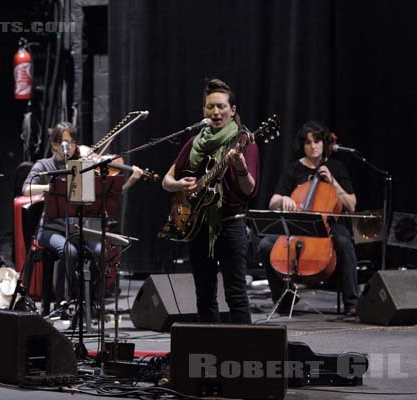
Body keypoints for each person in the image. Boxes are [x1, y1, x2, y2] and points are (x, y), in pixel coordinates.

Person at [162, 78, 259, 323]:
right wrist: (179, 185)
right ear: (204, 111)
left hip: (231, 225)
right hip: (198, 225)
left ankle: (245, 353)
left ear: (233, 110)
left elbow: (249, 190)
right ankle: (208, 349)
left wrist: (240, 168)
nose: (215, 112)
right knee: (204, 295)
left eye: (221, 107)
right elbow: (166, 180)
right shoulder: (195, 143)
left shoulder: (244, 141)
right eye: (210, 107)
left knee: (235, 294)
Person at [22, 122, 143, 304]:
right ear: (54, 144)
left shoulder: (81, 167)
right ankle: (67, 300)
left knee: (101, 251)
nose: (69, 146)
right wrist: (50, 187)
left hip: (78, 230)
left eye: (72, 142)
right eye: (65, 142)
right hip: (51, 229)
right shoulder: (44, 164)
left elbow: (105, 197)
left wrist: (131, 181)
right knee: (69, 250)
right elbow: (26, 189)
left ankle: (92, 300)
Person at [257, 121, 359, 316]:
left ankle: (352, 301)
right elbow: (273, 202)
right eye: (308, 142)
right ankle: (284, 299)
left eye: (317, 141)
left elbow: (351, 205)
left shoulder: (336, 167)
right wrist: (284, 199)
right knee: (265, 245)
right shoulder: (294, 170)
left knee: (344, 242)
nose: (313, 146)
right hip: (298, 224)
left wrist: (333, 182)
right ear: (302, 145)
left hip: (328, 224)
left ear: (325, 143)